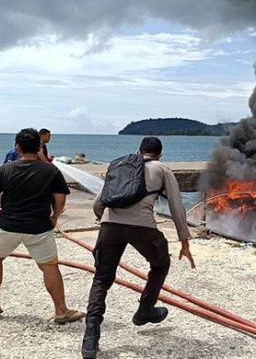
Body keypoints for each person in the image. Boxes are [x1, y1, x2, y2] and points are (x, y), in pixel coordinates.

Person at [81, 136, 195, 359]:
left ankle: (91, 336)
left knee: (101, 279)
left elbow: (98, 204)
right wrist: (184, 241)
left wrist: (104, 221)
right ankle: (144, 311)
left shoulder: (121, 165)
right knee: (161, 264)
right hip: (143, 227)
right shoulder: (162, 169)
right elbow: (176, 205)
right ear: (160, 154)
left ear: (139, 150)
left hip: (109, 226)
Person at [0, 128, 85, 324]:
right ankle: (61, 311)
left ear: (17, 147)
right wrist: (55, 216)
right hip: (39, 227)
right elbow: (60, 198)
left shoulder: (6, 169)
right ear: (39, 147)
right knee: (50, 266)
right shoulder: (50, 170)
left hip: (8, 225)